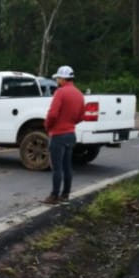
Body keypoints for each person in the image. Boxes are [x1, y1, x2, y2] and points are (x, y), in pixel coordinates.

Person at [42, 65, 85, 204]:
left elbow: (53, 113)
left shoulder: (60, 92)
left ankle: (54, 195)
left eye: (58, 78)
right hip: (70, 134)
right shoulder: (79, 93)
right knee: (67, 166)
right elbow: (81, 116)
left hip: (58, 134)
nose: (57, 80)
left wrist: (47, 126)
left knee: (57, 167)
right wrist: (70, 123)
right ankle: (65, 194)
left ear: (63, 78)